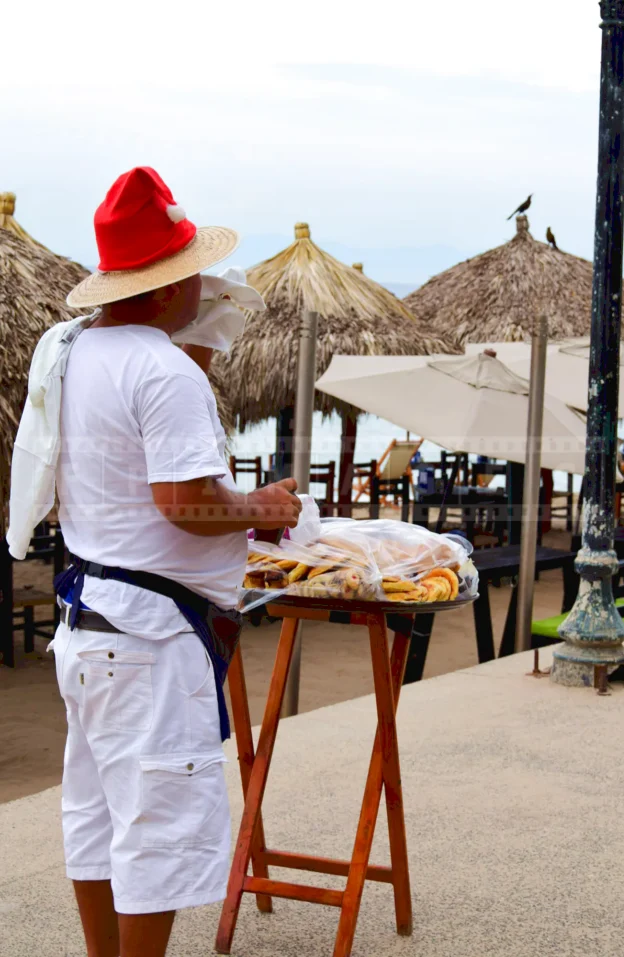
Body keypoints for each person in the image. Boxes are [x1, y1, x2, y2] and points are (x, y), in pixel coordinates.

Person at [8, 167, 301, 957]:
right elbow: (185, 502)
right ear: (172, 286)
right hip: (148, 641)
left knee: (99, 817)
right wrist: (266, 509)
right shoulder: (162, 369)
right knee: (159, 834)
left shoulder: (71, 352)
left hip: (92, 621)